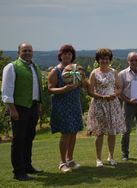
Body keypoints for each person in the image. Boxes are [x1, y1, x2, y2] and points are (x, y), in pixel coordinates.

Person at [1, 42, 43, 181]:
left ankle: (27, 166)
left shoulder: (35, 67)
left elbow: (37, 89)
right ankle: (18, 172)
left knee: (28, 138)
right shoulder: (11, 67)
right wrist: (12, 109)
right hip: (19, 108)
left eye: (29, 50)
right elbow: (6, 91)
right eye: (24, 50)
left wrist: (39, 105)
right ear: (18, 52)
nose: (27, 53)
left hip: (33, 107)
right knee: (18, 140)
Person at [48, 44, 85, 173]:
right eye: (65, 53)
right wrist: (63, 89)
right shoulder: (55, 71)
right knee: (65, 133)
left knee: (74, 132)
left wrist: (83, 79)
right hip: (62, 105)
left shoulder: (77, 69)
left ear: (72, 56)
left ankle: (70, 159)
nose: (67, 56)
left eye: (69, 54)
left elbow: (83, 84)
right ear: (60, 55)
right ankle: (62, 162)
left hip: (74, 104)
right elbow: (50, 88)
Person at [87, 48, 124, 167]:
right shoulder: (94, 73)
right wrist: (102, 97)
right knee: (99, 132)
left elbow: (119, 88)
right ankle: (98, 159)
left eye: (106, 58)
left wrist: (115, 94)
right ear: (98, 60)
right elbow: (90, 91)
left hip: (112, 104)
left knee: (112, 132)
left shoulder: (114, 72)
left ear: (110, 60)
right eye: (102, 58)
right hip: (99, 105)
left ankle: (111, 156)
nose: (104, 61)